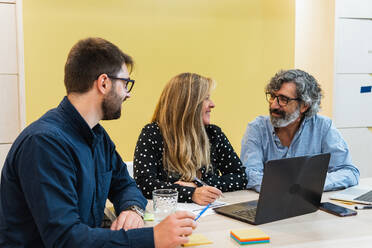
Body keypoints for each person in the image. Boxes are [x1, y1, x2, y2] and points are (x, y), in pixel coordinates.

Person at [0, 37, 196, 248]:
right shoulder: (44, 143)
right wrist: (152, 238)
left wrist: (132, 209)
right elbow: (65, 240)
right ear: (104, 83)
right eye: (125, 84)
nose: (128, 94)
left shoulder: (98, 136)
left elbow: (125, 185)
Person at [133, 73, 247, 206]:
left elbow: (240, 177)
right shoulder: (153, 133)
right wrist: (190, 193)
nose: (212, 104)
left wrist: (197, 185)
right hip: (169, 216)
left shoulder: (214, 134)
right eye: (206, 99)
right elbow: (144, 184)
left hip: (210, 215)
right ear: (188, 104)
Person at [241, 69, 360, 193]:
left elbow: (349, 172)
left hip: (310, 203)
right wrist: (287, 187)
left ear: (304, 105)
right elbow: (250, 173)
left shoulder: (323, 127)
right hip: (268, 205)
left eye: (283, 99)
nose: (273, 105)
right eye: (272, 96)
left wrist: (309, 184)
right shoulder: (257, 128)